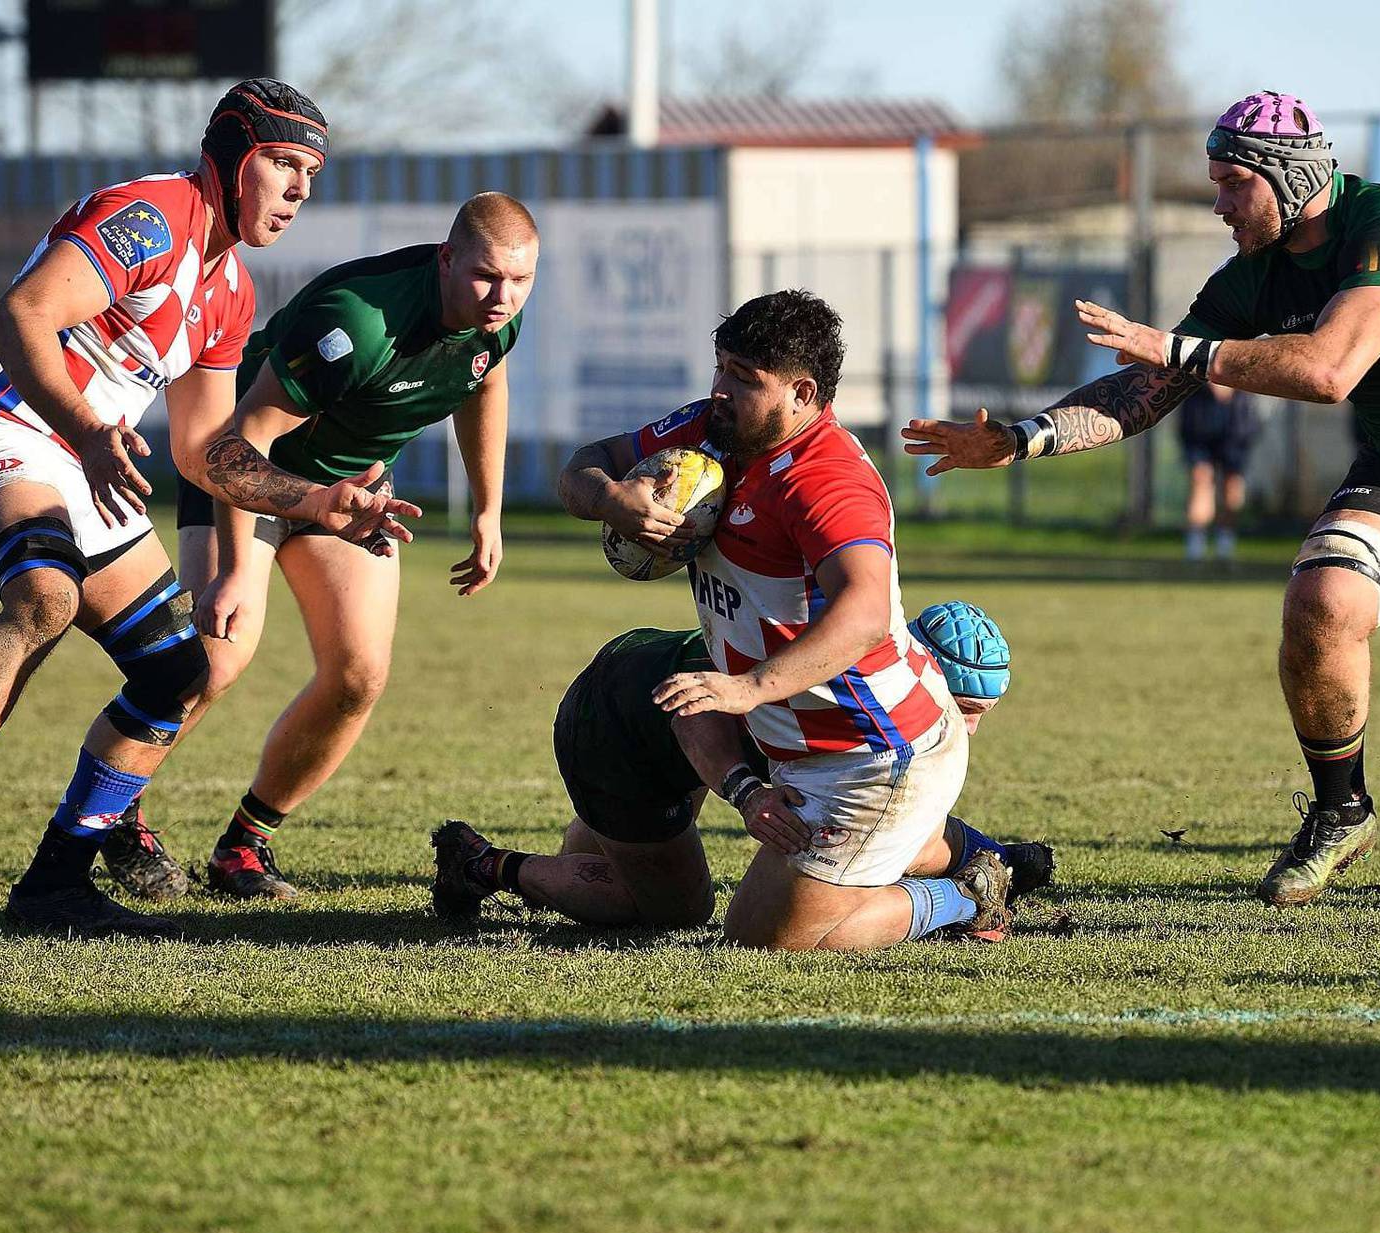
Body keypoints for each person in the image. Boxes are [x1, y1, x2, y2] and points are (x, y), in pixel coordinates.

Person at [906, 92, 1380, 939]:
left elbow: (1330, 368)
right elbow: (1148, 388)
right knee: (1321, 601)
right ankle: (1341, 810)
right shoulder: (1252, 279)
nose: (1219, 203)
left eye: (1234, 183)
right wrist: (1020, 440)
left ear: (1290, 177)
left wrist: (1175, 348)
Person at [0, 80, 375, 937]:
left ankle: (54, 884)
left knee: (177, 672)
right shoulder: (150, 215)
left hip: (82, 453)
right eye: (283, 165)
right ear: (231, 158)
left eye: (311, 172)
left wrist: (318, 500)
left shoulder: (230, 293)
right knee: (45, 595)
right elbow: (22, 316)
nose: (300, 189)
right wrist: (86, 428)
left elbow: (205, 453)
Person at [553, 289, 1033, 949]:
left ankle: (962, 897)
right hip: (798, 741)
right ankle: (935, 851)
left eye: (744, 380)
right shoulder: (710, 430)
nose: (719, 389)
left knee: (761, 940)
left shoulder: (826, 479)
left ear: (803, 393)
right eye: (719, 367)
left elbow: (863, 611)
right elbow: (583, 463)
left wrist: (748, 687)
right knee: (593, 832)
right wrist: (613, 499)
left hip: (873, 752)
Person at [155, 192, 537, 900]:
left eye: (520, 281)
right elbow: (245, 443)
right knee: (213, 658)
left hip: (349, 496)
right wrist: (239, 571)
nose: (503, 296)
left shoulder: (495, 323)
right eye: (487, 276)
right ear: (447, 258)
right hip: (250, 476)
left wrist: (489, 511)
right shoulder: (360, 322)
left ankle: (245, 844)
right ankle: (112, 815)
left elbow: (486, 384)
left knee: (358, 675)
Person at [430, 601, 1053, 934]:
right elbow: (691, 710)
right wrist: (746, 792)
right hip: (618, 728)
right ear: (925, 671)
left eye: (983, 714)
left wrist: (994, 853)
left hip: (648, 696)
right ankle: (484, 866)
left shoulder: (884, 676)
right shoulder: (846, 671)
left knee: (606, 855)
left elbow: (895, 822)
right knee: (671, 911)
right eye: (963, 708)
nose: (965, 728)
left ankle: (989, 866)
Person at [1177, 383, 1260, 563]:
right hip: (1200, 415)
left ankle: (1225, 544)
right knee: (1200, 479)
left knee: (1232, 484)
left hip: (1235, 419)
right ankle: (1195, 545)